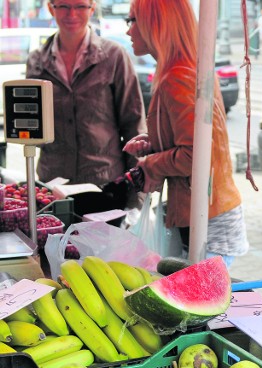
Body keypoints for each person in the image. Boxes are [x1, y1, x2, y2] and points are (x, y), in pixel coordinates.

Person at [104, 0, 248, 266]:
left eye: (132, 21)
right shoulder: (183, 68)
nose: (128, 31)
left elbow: (197, 155)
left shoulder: (178, 77)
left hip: (209, 221)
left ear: (156, 25)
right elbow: (194, 138)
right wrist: (153, 143)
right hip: (204, 213)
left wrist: (150, 165)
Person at [26, 0, 146, 209]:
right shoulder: (37, 61)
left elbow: (134, 126)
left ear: (92, 8)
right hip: (53, 189)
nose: (71, 13)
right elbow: (31, 127)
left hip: (104, 187)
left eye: (80, 6)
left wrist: (136, 200)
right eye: (63, 6)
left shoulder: (114, 57)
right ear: (50, 8)